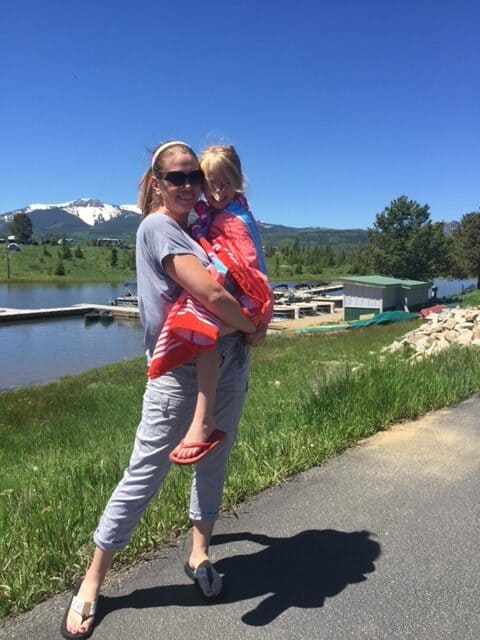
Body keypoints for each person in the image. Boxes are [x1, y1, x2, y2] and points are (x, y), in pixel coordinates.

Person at [61, 140, 265, 640]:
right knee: (145, 473)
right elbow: (211, 293)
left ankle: (199, 552)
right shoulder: (157, 228)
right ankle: (93, 581)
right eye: (176, 177)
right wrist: (254, 325)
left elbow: (239, 266)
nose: (189, 184)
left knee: (214, 461)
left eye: (193, 175)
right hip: (178, 378)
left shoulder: (203, 224)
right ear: (157, 182)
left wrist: (245, 324)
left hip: (228, 362)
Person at [166, 145, 273, 465]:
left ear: (237, 182)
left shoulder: (234, 220)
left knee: (203, 337)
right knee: (202, 336)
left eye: (226, 182)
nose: (218, 190)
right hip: (245, 303)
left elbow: (248, 264)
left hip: (247, 300)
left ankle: (204, 419)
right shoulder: (217, 214)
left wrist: (254, 315)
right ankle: (204, 419)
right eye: (211, 182)